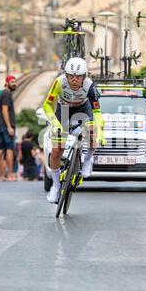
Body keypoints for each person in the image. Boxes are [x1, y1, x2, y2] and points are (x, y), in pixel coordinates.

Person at [42, 57, 105, 204]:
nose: (74, 80)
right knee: (57, 150)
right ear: (66, 75)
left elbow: (97, 112)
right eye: (71, 76)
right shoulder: (59, 82)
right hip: (63, 110)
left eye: (78, 76)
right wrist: (55, 123)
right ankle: (56, 186)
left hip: (83, 108)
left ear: (85, 76)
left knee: (91, 132)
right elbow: (46, 105)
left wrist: (100, 133)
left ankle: (88, 160)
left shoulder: (90, 86)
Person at [0, 76, 17, 181]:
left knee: (0, 149)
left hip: (1, 125)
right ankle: (10, 175)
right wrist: (9, 126)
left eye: (15, 81)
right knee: (9, 149)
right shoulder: (7, 94)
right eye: (12, 82)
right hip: (6, 126)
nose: (14, 83)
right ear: (7, 83)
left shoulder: (3, 94)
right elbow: (5, 110)